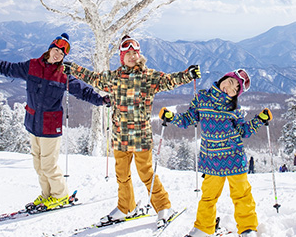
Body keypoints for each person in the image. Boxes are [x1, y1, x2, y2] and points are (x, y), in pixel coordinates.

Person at [62, 35, 201, 227]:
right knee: (122, 175)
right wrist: (74, 69)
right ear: (121, 57)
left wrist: (188, 74)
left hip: (141, 137)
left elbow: (170, 80)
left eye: (134, 53)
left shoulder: (149, 77)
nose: (132, 57)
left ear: (139, 55)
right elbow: (93, 78)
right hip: (120, 137)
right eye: (127, 54)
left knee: (147, 174)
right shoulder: (113, 78)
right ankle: (125, 208)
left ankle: (163, 207)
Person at [0, 33, 108, 210]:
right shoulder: (32, 66)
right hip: (32, 123)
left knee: (48, 164)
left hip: (50, 127)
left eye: (62, 54)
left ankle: (60, 195)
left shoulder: (63, 74)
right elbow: (8, 68)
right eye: (56, 51)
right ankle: (47, 195)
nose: (58, 55)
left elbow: (83, 92)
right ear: (49, 49)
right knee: (38, 165)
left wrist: (101, 100)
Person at [159, 69, 272, 237]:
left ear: (236, 95)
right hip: (211, 159)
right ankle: (203, 228)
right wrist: (171, 116)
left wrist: (259, 120)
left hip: (234, 157)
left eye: (235, 89)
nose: (230, 88)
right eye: (230, 82)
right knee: (208, 196)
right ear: (223, 78)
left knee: (242, 195)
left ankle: (247, 228)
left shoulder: (235, 108)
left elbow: (243, 131)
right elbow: (188, 119)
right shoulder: (202, 99)